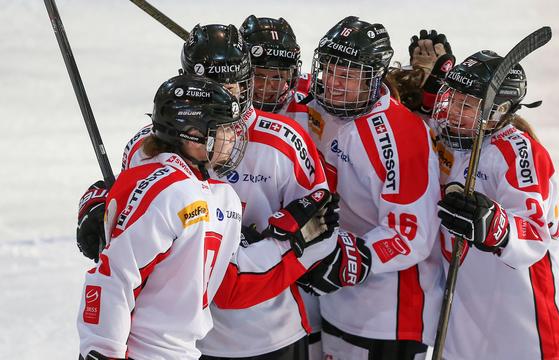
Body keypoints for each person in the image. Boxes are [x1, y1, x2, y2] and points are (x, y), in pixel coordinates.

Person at [77, 23, 370, 360]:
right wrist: (98, 205)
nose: (224, 98)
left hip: (269, 332)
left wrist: (295, 247)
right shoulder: (151, 150)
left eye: (232, 86)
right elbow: (123, 245)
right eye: (210, 88)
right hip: (180, 340)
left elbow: (320, 226)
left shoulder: (283, 144)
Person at [297, 16, 443, 359]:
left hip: (390, 314)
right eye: (330, 70)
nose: (332, 83)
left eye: (347, 76)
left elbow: (411, 233)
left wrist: (356, 258)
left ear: (372, 79)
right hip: (337, 300)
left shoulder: (398, 135)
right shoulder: (321, 106)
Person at [77, 74, 248, 359]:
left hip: (183, 352)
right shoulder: (171, 191)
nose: (232, 138)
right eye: (223, 129)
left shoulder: (216, 194)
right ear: (192, 133)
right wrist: (103, 350)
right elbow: (114, 276)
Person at [431, 50, 559, 359]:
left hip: (525, 311)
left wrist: (495, 224)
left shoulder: (518, 152)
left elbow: (536, 233)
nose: (454, 111)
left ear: (498, 111)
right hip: (468, 306)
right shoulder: (450, 140)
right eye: (454, 99)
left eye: (467, 105)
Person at [239, 15, 324, 360]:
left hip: (307, 256)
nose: (269, 87)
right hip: (240, 263)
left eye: (278, 76)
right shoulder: (216, 112)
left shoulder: (313, 102)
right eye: (259, 76)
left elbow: (364, 95)